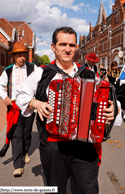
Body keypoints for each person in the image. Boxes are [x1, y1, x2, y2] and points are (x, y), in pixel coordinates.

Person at [16, 27, 114, 194]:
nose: (67, 49)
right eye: (62, 44)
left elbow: (105, 101)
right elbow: (20, 95)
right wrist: (36, 103)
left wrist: (111, 111)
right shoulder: (43, 73)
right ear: (53, 47)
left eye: (71, 45)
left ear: (76, 48)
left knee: (88, 190)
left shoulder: (90, 75)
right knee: (57, 190)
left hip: (85, 144)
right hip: (54, 145)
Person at [0, 41, 37, 176]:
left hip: (29, 107)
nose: (22, 58)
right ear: (13, 57)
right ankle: (18, 165)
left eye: (24, 55)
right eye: (19, 56)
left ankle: (25, 152)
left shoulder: (33, 68)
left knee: (26, 134)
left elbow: (40, 82)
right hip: (13, 108)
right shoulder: (7, 70)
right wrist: (4, 97)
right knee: (16, 136)